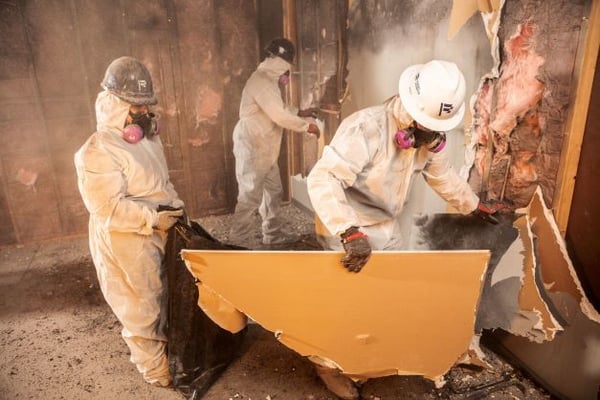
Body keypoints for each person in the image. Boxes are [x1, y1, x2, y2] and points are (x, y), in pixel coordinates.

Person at [306, 60, 502, 399]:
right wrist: (349, 231)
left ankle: (368, 358)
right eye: (426, 128)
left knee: (387, 296)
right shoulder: (367, 128)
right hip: (344, 226)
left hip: (385, 225)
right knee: (344, 302)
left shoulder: (427, 138)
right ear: (409, 116)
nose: (433, 139)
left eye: (437, 131)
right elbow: (324, 178)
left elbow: (442, 175)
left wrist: (473, 205)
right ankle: (326, 364)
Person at [74, 56, 184, 387]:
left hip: (156, 228)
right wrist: (153, 218)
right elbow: (107, 210)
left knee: (164, 292)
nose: (143, 114)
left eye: (145, 106)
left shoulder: (147, 138)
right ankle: (155, 370)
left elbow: (161, 183)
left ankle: (168, 353)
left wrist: (176, 210)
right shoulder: (97, 150)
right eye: (135, 107)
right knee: (142, 303)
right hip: (126, 239)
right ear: (114, 105)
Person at [230, 38, 321, 247]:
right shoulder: (260, 80)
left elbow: (278, 107)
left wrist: (300, 112)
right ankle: (238, 242)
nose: (287, 70)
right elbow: (279, 115)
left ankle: (272, 234)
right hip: (252, 145)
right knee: (250, 195)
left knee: (273, 191)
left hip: (266, 147)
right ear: (275, 60)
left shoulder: (269, 81)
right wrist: (307, 126)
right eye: (286, 64)